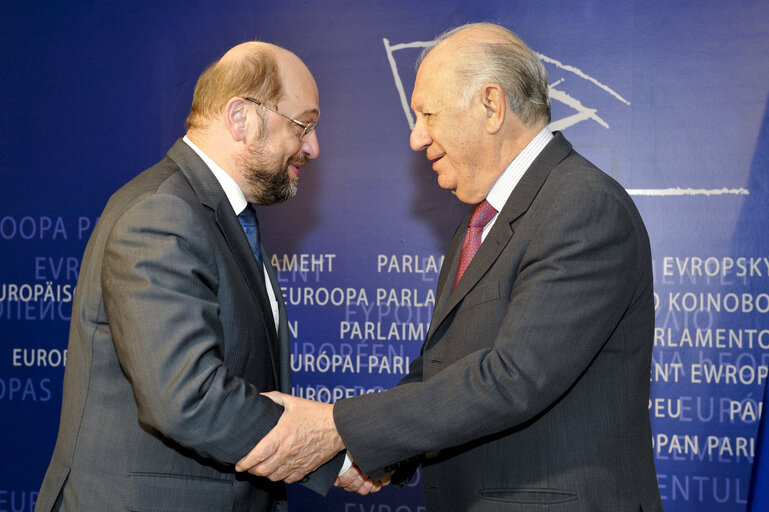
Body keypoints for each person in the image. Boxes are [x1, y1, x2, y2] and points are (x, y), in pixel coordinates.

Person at [236, 23, 664, 511]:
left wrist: (338, 427)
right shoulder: (480, 222)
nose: (416, 138)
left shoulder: (582, 206)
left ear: (491, 105)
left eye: (427, 114)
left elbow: (512, 377)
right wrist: (376, 455)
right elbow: (441, 370)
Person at [34, 41, 371, 512]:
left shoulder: (222, 215)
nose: (313, 146)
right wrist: (330, 455)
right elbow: (187, 396)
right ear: (241, 118)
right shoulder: (163, 211)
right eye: (304, 125)